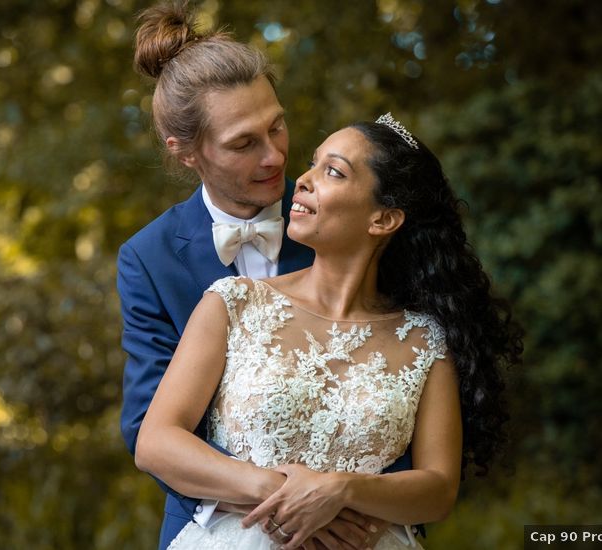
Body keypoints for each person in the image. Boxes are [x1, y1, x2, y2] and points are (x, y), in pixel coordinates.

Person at [134, 115, 524, 549]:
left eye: (333, 172)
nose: (302, 180)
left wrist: (342, 491)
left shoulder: (425, 340)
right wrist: (284, 494)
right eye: (313, 164)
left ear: (383, 219)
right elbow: (156, 441)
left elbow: (438, 490)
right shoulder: (234, 303)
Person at [117, 2, 417, 549]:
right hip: (220, 529)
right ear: (185, 152)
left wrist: (350, 498)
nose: (275, 156)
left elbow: (403, 371)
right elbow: (150, 430)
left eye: (277, 126)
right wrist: (290, 498)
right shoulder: (149, 258)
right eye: (243, 143)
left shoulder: (346, 220)